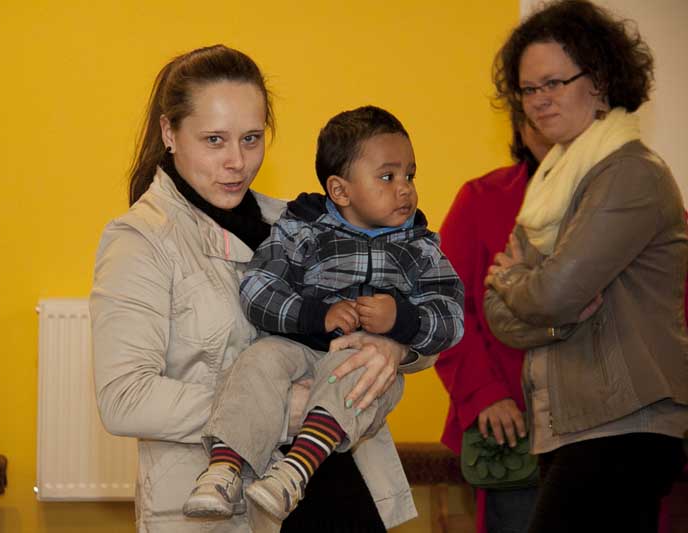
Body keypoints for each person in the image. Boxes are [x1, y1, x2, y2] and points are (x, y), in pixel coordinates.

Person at [90, 45, 425, 533]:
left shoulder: (300, 220)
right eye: (214, 140)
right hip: (226, 511)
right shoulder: (140, 240)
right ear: (169, 133)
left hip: (338, 486)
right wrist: (280, 410)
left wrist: (393, 346)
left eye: (251, 139)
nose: (236, 162)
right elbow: (125, 398)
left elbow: (423, 301)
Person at [183, 105, 465, 524]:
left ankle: (295, 471)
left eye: (410, 175)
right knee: (259, 359)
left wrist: (402, 320)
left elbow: (452, 315)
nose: (405, 189)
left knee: (356, 370)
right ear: (340, 191)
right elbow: (257, 289)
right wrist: (316, 315)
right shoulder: (302, 230)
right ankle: (224, 469)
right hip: (300, 346)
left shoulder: (420, 249)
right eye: (387, 177)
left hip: (364, 363)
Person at [483, 2, 688, 532]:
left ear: (599, 81)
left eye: (554, 82)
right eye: (528, 89)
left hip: (625, 422)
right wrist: (554, 317)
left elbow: (550, 294)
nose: (539, 100)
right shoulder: (553, 181)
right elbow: (498, 313)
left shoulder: (629, 174)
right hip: (568, 423)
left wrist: (516, 281)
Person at [434, 109, 552, 533]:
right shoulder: (482, 199)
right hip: (514, 435)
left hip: (618, 430)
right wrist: (483, 392)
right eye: (533, 94)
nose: (549, 107)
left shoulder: (637, 195)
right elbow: (444, 306)